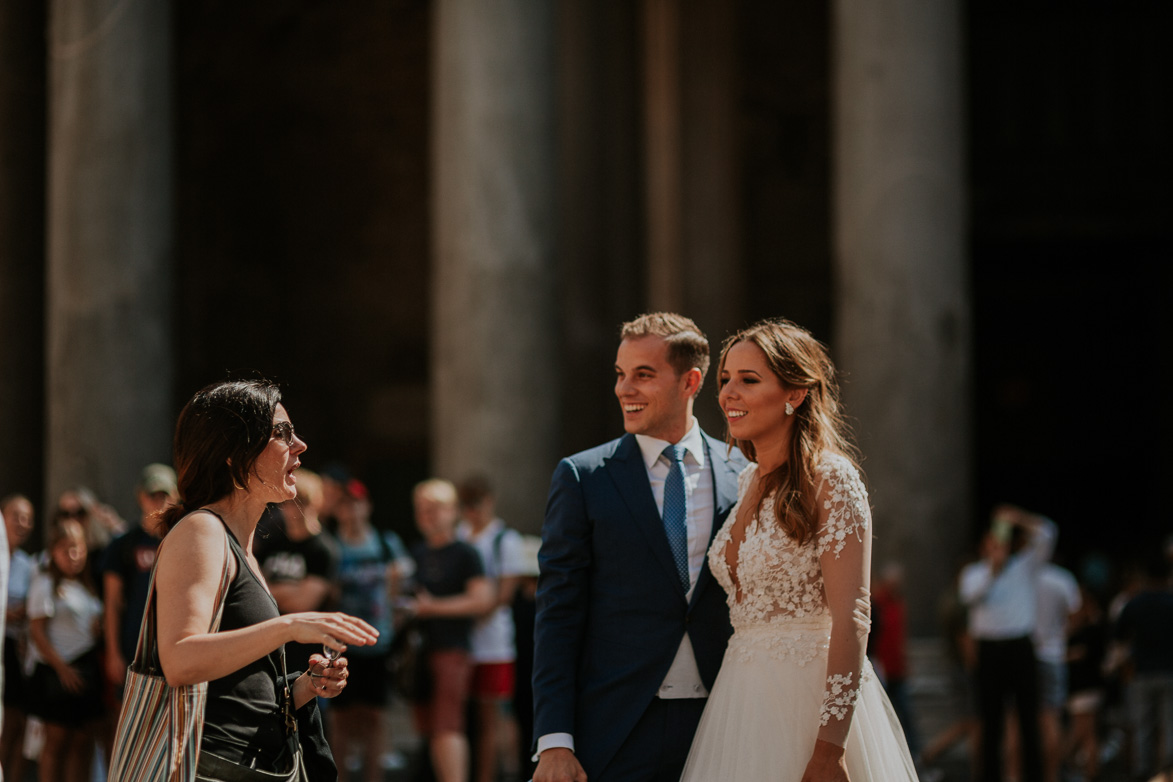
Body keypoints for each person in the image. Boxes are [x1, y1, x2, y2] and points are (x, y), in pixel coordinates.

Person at [677, 318, 917, 781]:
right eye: (725, 379)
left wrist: (830, 748)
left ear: (795, 393)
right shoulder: (746, 480)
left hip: (810, 703)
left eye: (749, 380)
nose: (729, 393)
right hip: (740, 701)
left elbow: (853, 615)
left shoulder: (831, 478)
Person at [533, 312, 747, 782]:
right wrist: (554, 740)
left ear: (690, 381)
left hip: (726, 721)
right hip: (616, 727)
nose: (623, 389)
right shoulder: (582, 477)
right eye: (620, 374)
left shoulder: (745, 474)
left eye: (643, 375)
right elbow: (558, 613)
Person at [144, 379, 379, 779]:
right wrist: (289, 626)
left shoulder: (240, 544)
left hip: (250, 765)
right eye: (282, 432)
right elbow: (181, 660)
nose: (300, 445)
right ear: (235, 454)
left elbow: (239, 686)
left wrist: (306, 686)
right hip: (209, 767)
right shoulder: (202, 530)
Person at [960, 504, 1057, 782]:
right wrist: (994, 569)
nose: (997, 548)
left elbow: (1048, 533)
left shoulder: (1024, 567)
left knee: (1029, 718)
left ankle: (1034, 776)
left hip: (1019, 647)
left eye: (1001, 544)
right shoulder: (974, 573)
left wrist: (1018, 518)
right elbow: (969, 598)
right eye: (992, 544)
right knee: (991, 720)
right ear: (983, 546)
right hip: (989, 650)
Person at [407, 479, 494, 782]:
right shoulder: (416, 552)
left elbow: (482, 600)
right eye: (421, 509)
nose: (427, 515)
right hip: (418, 652)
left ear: (453, 511)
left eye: (434, 509)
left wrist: (433, 607)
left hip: (452, 649)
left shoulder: (466, 553)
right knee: (427, 728)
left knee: (447, 726)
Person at [328, 476, 411, 782]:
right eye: (345, 504)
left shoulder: (386, 544)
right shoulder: (332, 546)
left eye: (356, 502)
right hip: (340, 645)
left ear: (368, 506)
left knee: (374, 717)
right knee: (341, 718)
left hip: (378, 642)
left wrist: (394, 626)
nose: (351, 510)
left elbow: (403, 592)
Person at [455, 475, 527, 782]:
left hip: (493, 643)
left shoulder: (505, 539)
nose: (472, 511)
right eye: (466, 505)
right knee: (462, 720)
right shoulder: (459, 535)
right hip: (460, 641)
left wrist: (466, 606)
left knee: (491, 719)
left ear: (489, 501)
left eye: (477, 503)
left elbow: (504, 596)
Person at [26, 519, 104, 782]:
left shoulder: (87, 586)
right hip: (56, 673)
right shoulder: (45, 583)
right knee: (55, 743)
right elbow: (37, 632)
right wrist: (62, 669)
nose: (74, 555)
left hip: (86, 671)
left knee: (81, 743)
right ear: (53, 551)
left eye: (78, 549)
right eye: (66, 549)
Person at [101, 464, 179, 698]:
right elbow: (112, 603)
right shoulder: (123, 544)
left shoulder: (184, 539)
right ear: (140, 497)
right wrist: (113, 653)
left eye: (163, 495)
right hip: (133, 649)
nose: (158, 502)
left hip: (173, 649)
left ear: (175, 496)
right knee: (129, 724)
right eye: (151, 495)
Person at [1111, 552, 1173, 781]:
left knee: (1143, 726)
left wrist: (1123, 666)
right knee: (1169, 725)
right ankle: (1167, 771)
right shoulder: (1170, 602)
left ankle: (1143, 772)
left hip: (1142, 672)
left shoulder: (1135, 604)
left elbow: (1118, 639)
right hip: (1169, 672)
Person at [1032, 561, 1081, 782]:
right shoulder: (1062, 578)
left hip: (1024, 654)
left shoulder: (1022, 575)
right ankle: (1052, 776)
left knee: (1014, 720)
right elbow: (1075, 615)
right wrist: (1061, 635)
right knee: (1051, 719)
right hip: (1052, 654)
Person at [0, 494, 35, 782]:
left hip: (15, 652)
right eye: (16, 515)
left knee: (14, 728)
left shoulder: (27, 565)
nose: (22, 523)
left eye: (28, 518)